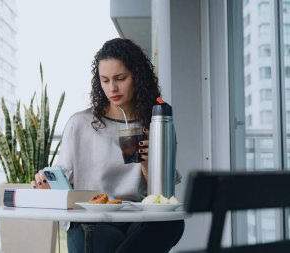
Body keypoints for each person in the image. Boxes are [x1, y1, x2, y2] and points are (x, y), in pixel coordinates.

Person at [31, 38, 184, 253]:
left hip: (139, 218)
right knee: (99, 237)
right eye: (105, 80)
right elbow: (62, 181)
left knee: (171, 224)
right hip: (92, 219)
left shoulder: (157, 125)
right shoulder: (80, 124)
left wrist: (150, 164)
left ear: (137, 78)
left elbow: (163, 198)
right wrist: (47, 183)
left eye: (120, 78)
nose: (112, 88)